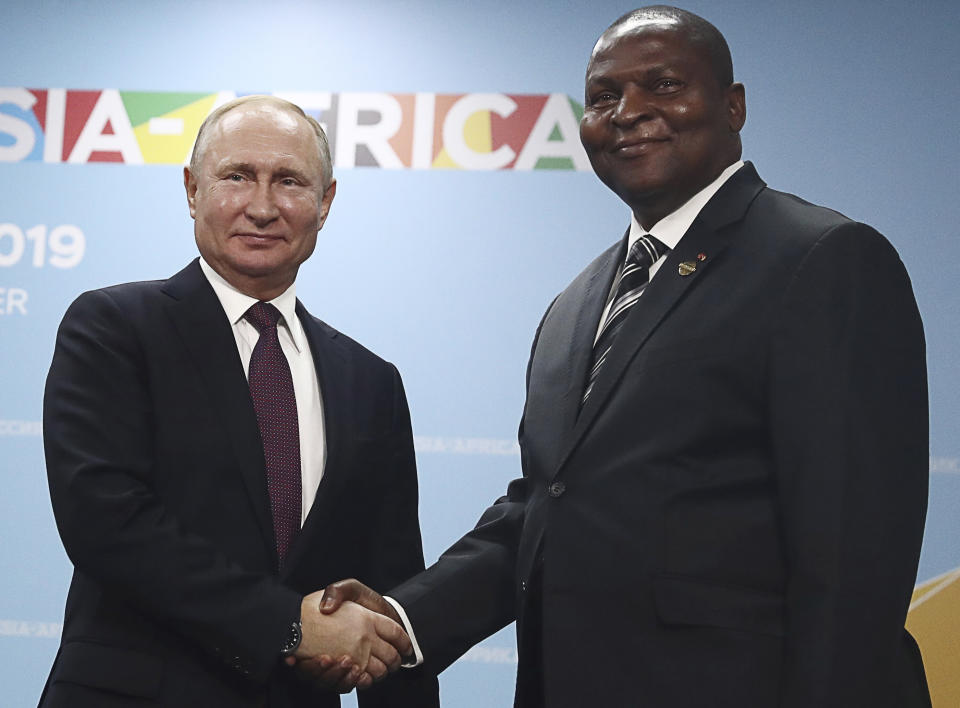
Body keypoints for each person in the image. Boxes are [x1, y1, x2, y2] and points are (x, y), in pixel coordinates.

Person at [320, 6, 932, 707]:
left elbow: (855, 560)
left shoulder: (822, 260)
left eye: (663, 85)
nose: (629, 112)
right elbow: (545, 509)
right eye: (604, 97)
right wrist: (402, 619)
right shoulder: (575, 304)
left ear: (733, 106)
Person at [40, 95, 439, 707]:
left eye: (289, 181)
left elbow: (387, 596)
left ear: (326, 202)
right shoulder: (114, 327)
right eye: (236, 176)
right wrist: (288, 624)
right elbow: (105, 521)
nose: (262, 206)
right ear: (192, 189)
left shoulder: (371, 382)